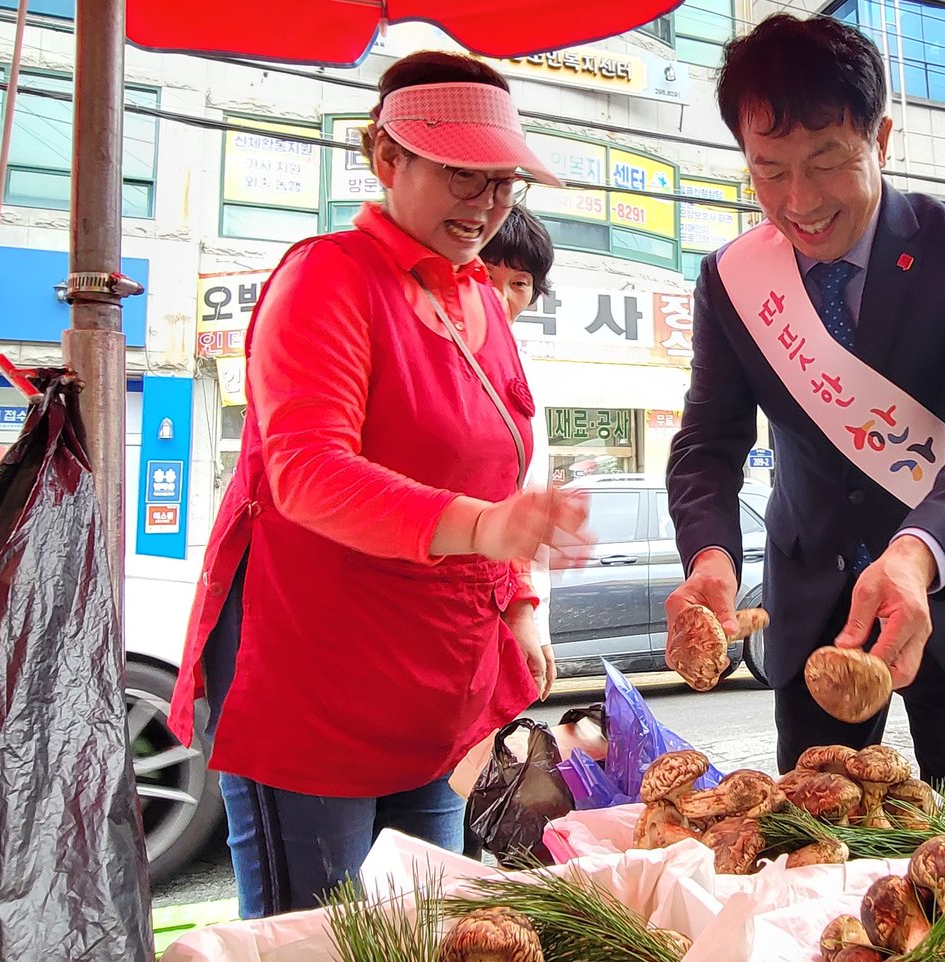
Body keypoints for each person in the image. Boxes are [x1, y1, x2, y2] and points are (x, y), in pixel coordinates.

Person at [164, 52, 590, 919]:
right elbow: (307, 473)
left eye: (502, 182)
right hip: (319, 669)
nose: (485, 204)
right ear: (387, 159)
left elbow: (495, 475)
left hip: (435, 679)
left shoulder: (477, 298)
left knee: (421, 921)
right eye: (460, 175)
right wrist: (485, 529)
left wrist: (516, 603)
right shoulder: (329, 276)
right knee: (319, 934)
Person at [665, 14, 945, 814]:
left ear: (880, 138)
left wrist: (915, 554)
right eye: (768, 171)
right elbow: (708, 443)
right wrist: (710, 556)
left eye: (825, 162)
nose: (798, 203)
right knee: (811, 851)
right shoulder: (733, 279)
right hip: (813, 610)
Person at [482, 206, 558, 683]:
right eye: (486, 276)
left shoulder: (524, 379)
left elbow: (527, 515)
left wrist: (530, 615)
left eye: (520, 283)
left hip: (495, 601)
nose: (501, 296)